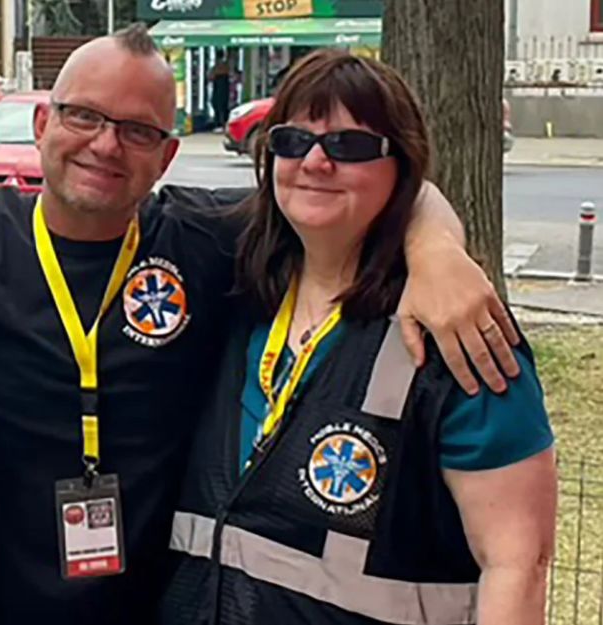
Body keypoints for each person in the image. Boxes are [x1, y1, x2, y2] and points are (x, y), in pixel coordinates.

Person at [0, 25, 521, 625]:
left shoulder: (206, 240)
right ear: (45, 125)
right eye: (84, 117)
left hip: (157, 605)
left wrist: (438, 248)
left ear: (165, 156)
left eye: (137, 130)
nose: (105, 145)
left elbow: (350, 188)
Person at [162, 50, 556, 625]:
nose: (316, 161)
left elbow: (518, 564)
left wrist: (435, 246)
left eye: (350, 146)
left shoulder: (460, 334)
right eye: (293, 140)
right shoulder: (234, 278)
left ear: (402, 169)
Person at [207, 51, 231, 131]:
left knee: (220, 106)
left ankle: (220, 124)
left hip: (220, 90)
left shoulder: (219, 67)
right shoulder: (224, 66)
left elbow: (210, 76)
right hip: (222, 90)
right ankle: (222, 123)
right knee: (221, 106)